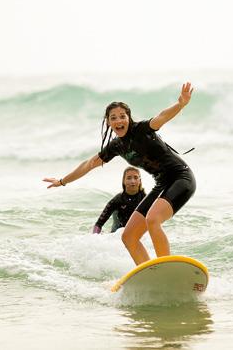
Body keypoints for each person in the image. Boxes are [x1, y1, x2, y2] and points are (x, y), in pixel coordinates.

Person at [43, 82, 196, 266]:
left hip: (181, 178)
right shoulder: (116, 146)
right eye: (113, 118)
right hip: (162, 184)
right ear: (108, 122)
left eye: (122, 116)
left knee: (153, 220)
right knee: (129, 237)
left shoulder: (142, 129)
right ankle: (149, 273)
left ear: (129, 118)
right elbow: (89, 164)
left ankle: (166, 267)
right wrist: (62, 181)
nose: (118, 121)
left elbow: (162, 117)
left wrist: (181, 104)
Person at [92, 166, 146, 234]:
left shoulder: (146, 199)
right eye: (129, 178)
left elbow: (155, 221)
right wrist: (94, 239)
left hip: (140, 236)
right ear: (124, 181)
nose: (133, 181)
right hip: (117, 236)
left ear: (140, 180)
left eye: (136, 177)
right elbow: (99, 224)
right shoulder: (117, 200)